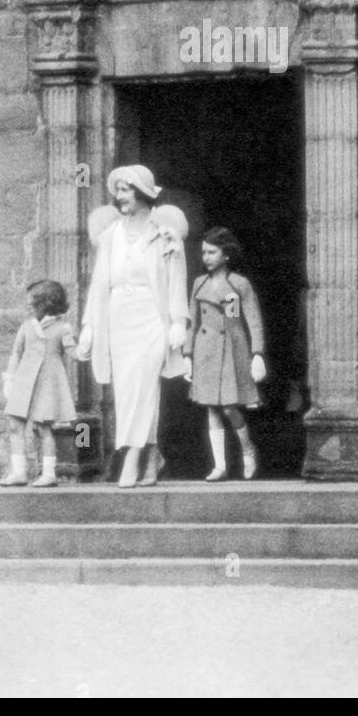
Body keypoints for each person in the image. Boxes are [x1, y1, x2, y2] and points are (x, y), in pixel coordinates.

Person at [77, 166, 189, 488]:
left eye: (126, 190)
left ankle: (132, 456)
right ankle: (154, 456)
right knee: (128, 390)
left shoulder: (163, 231)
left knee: (143, 384)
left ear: (141, 193)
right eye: (119, 191)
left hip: (151, 317)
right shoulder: (110, 235)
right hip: (117, 317)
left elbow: (176, 277)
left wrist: (179, 320)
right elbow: (99, 283)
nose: (120, 197)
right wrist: (89, 325)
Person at [184, 227, 267, 482]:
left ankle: (248, 451)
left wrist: (257, 353)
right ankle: (219, 465)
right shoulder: (199, 284)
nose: (206, 257)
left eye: (212, 252)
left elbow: (252, 320)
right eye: (203, 252)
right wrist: (187, 355)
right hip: (205, 350)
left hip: (232, 349)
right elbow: (193, 322)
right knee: (211, 407)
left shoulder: (238, 284)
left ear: (226, 255)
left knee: (230, 407)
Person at [0, 279, 77, 488]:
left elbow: (73, 353)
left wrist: (84, 346)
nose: (28, 304)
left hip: (47, 383)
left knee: (44, 427)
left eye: (33, 300)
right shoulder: (26, 326)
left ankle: (49, 473)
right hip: (24, 381)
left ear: (47, 302)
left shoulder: (63, 327)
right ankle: (19, 473)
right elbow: (17, 352)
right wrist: (10, 378)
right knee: (15, 424)